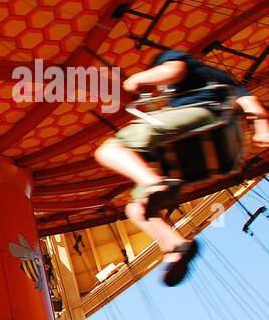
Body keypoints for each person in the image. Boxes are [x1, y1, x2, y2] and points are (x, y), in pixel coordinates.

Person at [94, 50, 269, 286]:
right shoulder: (222, 84)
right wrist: (261, 128)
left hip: (205, 116)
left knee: (109, 150)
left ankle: (155, 183)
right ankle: (176, 247)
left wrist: (139, 78)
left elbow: (173, 70)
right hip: (222, 156)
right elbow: (249, 101)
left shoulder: (190, 70)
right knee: (136, 208)